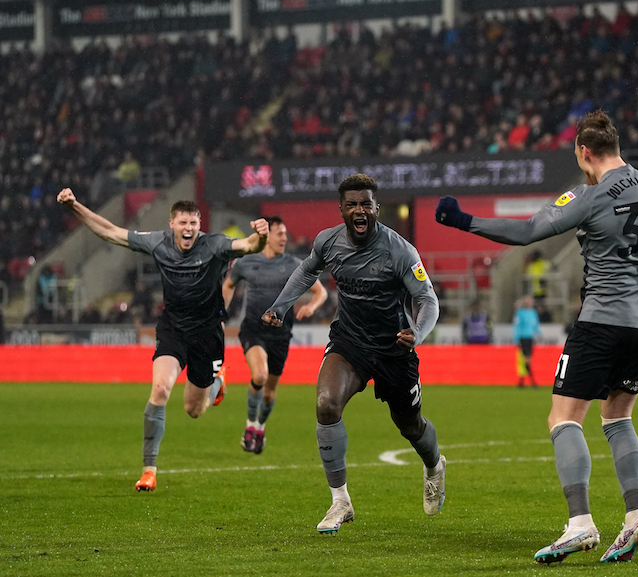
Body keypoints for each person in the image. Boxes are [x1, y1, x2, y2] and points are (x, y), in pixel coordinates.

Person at [436, 110, 638, 564]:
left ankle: (580, 525)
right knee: (618, 417)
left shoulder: (589, 195)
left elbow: (529, 231)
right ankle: (635, 517)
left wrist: (463, 220)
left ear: (584, 152)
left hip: (602, 322)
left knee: (563, 418)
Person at [261, 173, 444, 535]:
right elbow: (305, 271)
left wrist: (418, 334)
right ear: (342, 209)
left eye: (366, 204)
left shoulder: (400, 250)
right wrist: (280, 306)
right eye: (352, 204)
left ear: (377, 208)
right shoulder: (327, 242)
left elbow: (427, 299)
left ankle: (434, 465)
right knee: (326, 404)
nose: (359, 210)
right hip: (350, 342)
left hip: (394, 348)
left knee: (410, 426)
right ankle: (340, 501)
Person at [57, 188, 268, 492]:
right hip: (173, 328)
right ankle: (149, 470)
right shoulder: (158, 242)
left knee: (194, 410)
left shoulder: (216, 245)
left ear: (200, 225)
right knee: (160, 388)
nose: (188, 229)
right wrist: (75, 206)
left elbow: (249, 245)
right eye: (183, 223)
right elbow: (110, 232)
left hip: (207, 334)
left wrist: (261, 236)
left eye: (193, 223)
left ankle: (217, 382)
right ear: (171, 224)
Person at [222, 216, 328, 454]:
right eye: (279, 233)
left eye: (285, 234)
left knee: (269, 393)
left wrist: (311, 306)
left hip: (281, 333)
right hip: (253, 328)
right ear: (267, 235)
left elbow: (320, 292)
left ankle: (260, 426)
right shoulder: (246, 262)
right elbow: (229, 285)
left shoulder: (293, 264)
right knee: (259, 375)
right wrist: (221, 311)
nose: (284, 238)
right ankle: (250, 426)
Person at [512, 294, 541, 388]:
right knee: (526, 359)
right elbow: (517, 326)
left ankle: (521, 382)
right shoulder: (520, 313)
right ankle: (533, 382)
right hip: (523, 338)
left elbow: (535, 325)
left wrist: (539, 334)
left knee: (527, 360)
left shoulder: (533, 312)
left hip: (530, 338)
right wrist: (516, 338)